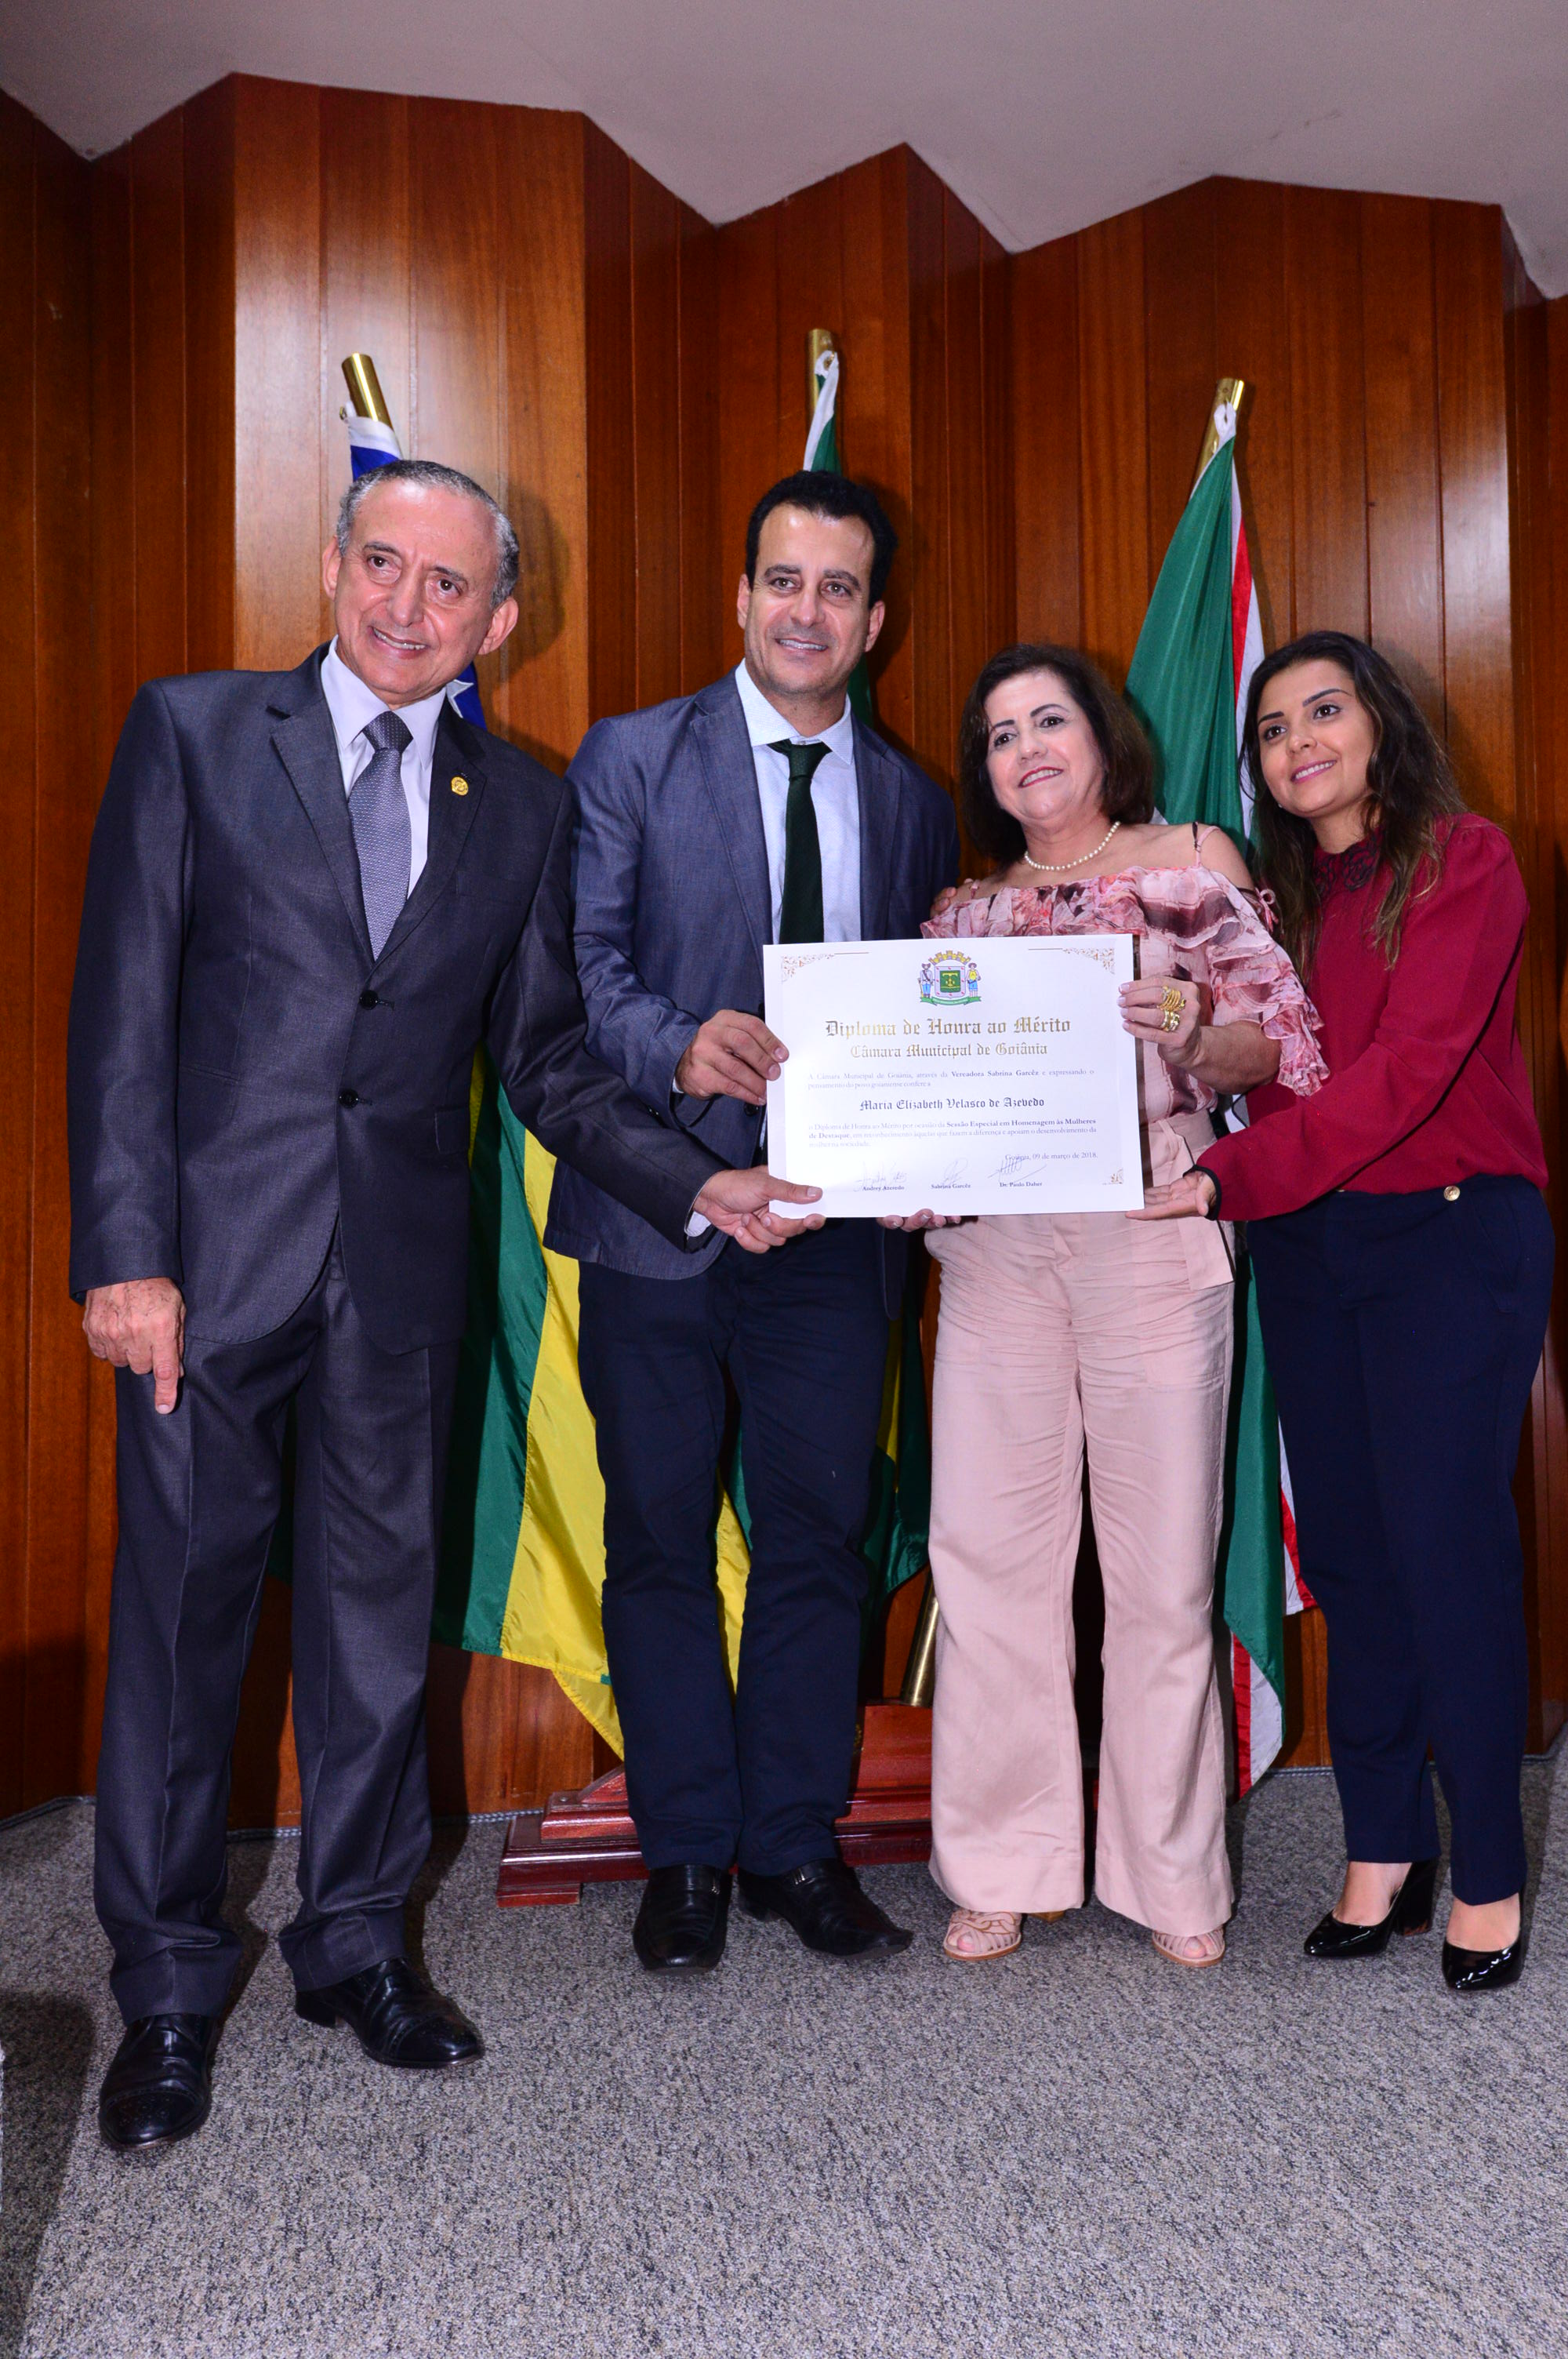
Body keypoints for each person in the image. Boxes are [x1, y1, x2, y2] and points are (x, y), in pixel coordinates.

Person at [69, 459, 820, 2157]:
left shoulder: (520, 800)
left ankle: (354, 1945)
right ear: (334, 565)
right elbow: (119, 1010)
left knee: (371, 1630)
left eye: (447, 585)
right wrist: (124, 1257)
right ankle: (168, 1987)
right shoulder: (194, 730)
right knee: (184, 1627)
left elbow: (545, 1057)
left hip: (399, 1288)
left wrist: (691, 1181)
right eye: (383, 566)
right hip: (204, 1272)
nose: (406, 607)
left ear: (499, 618)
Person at [550, 470, 959, 1972]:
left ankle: (791, 1844)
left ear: (874, 620)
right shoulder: (630, 755)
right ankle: (685, 1855)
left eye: (838, 588)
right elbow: (583, 972)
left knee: (815, 1543)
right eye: (783, 580)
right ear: (741, 597)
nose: (806, 611)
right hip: (659, 1217)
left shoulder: (915, 799)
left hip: (837, 1243)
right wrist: (679, 1048)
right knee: (657, 1542)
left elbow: (920, 1018)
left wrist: (928, 1146)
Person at [1138, 631, 1553, 1994]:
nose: (1298, 741)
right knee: (1356, 1558)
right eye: (1272, 728)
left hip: (1450, 1236)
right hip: (1313, 1243)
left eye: (1325, 711)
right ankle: (1383, 1845)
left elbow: (1403, 1077)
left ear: (1381, 726)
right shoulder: (1265, 911)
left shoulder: (1463, 860)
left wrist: (1228, 1177)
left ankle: (1487, 1868)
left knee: (1445, 1553)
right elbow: (1243, 1061)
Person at [922, 644, 1324, 1968]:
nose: (1026, 748)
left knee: (1161, 1573)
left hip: (1152, 1224)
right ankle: (1000, 1864)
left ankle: (1172, 1876)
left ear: (1103, 737)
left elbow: (1282, 1043)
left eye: (1049, 720)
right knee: (989, 1560)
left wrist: (1194, 1036)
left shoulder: (1189, 862)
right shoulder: (961, 917)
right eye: (999, 735)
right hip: (999, 1248)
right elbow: (917, 1092)